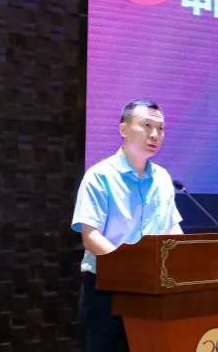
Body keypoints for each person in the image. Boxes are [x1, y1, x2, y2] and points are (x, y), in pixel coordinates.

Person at [71, 99, 183, 352]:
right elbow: (91, 236)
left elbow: (172, 230)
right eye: (147, 125)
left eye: (161, 128)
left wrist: (183, 261)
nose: (155, 134)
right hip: (107, 289)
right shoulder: (99, 175)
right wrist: (130, 270)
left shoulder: (163, 178)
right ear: (123, 129)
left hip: (153, 289)